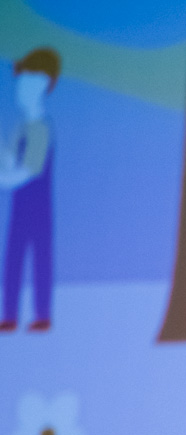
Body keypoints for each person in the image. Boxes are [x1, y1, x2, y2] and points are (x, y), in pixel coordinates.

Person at [0, 47, 60, 333]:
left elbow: (29, 170)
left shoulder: (41, 128)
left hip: (39, 208)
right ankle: (10, 315)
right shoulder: (20, 128)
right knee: (13, 259)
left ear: (43, 83)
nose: (20, 88)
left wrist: (5, 179)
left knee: (40, 259)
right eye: (20, 81)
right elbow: (9, 160)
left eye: (27, 81)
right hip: (19, 207)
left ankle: (42, 315)